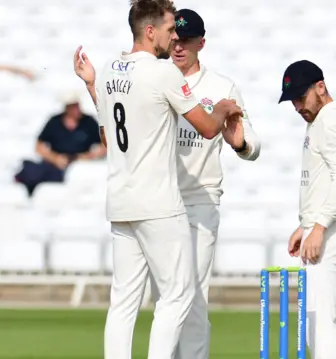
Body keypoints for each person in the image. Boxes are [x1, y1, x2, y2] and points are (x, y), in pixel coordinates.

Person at [74, 8, 260, 358]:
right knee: (179, 296)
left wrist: (91, 85)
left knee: (125, 301)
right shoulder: (163, 73)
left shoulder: (111, 69)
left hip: (126, 201)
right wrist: (220, 110)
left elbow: (110, 137)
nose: (174, 39)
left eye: (181, 35)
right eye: (171, 30)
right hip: (160, 202)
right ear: (150, 31)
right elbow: (207, 128)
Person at [279, 60, 336, 359]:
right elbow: (323, 180)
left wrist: (319, 227)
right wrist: (307, 225)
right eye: (293, 101)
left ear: (320, 88)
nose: (298, 106)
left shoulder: (331, 120)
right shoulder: (322, 120)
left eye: (301, 97)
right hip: (334, 228)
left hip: (332, 232)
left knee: (320, 324)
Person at [14, 91, 105, 195]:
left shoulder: (88, 122)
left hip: (79, 165)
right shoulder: (54, 122)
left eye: (77, 105)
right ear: (67, 108)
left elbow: (104, 145)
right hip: (56, 164)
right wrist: (55, 159)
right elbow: (39, 146)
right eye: (73, 106)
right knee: (33, 171)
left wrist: (86, 157)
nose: (77, 109)